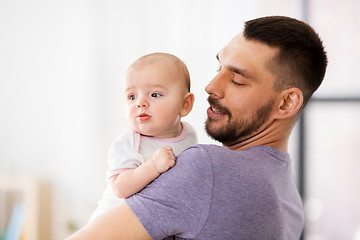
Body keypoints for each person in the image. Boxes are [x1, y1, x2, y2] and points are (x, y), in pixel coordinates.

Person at [66, 16, 327, 240]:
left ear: (286, 102)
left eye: (237, 79)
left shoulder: (205, 168)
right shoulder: (290, 201)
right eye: (218, 67)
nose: (211, 86)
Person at [89, 52, 197, 221]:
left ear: (185, 104)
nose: (140, 103)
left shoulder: (189, 135)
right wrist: (153, 166)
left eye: (154, 95)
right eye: (132, 96)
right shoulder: (128, 143)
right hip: (111, 224)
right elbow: (120, 188)